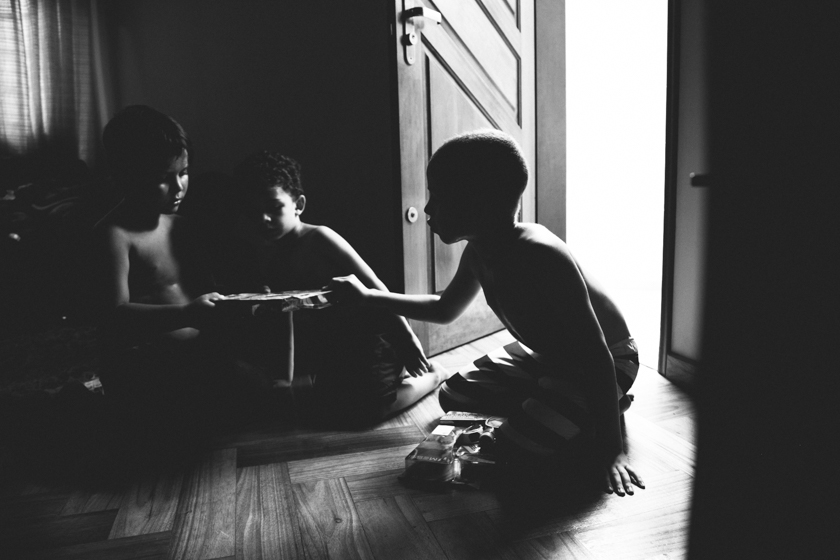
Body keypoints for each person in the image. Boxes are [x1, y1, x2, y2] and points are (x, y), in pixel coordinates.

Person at [329, 129, 644, 496]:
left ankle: (598, 411)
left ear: (482, 202)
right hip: (548, 358)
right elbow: (444, 309)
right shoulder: (478, 250)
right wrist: (368, 296)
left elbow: (595, 352)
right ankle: (572, 406)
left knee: (519, 444)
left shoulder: (541, 254)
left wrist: (613, 450)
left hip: (607, 360)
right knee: (453, 395)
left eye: (439, 197)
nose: (428, 209)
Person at [225, 150, 449, 425]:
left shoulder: (320, 238)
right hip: (332, 344)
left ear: (298, 204)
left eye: (274, 209)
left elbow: (375, 286)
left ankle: (435, 375)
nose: (264, 220)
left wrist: (406, 340)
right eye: (253, 212)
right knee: (326, 406)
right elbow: (287, 317)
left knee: (367, 412)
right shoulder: (265, 252)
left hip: (372, 336)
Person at [93, 105, 235, 445]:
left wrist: (238, 300)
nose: (178, 187)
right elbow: (113, 316)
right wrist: (186, 314)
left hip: (195, 355)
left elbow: (200, 286)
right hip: (144, 365)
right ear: (125, 176)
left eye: (183, 172)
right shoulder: (114, 235)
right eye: (162, 178)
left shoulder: (181, 225)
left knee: (254, 391)